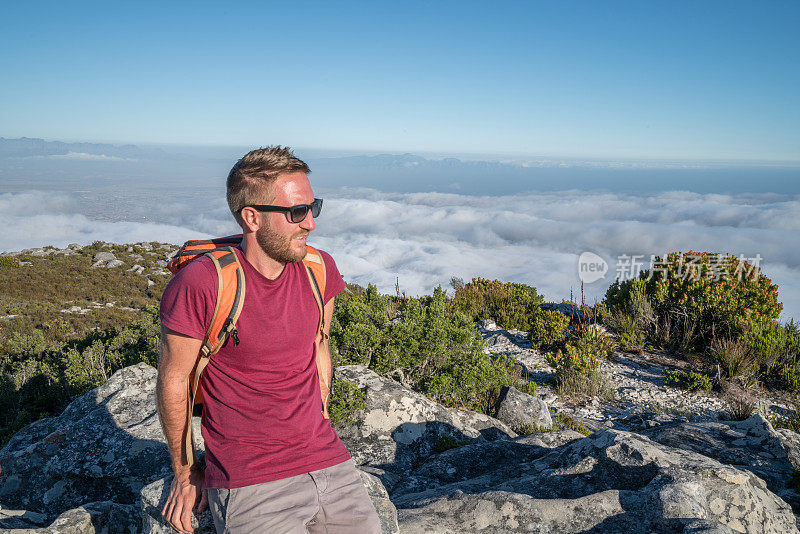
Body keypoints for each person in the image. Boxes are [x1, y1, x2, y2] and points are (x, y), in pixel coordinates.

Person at [156, 147, 381, 534]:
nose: (310, 223)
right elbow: (173, 379)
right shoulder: (205, 282)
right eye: (296, 212)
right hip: (252, 481)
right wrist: (185, 472)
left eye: (314, 207)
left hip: (329, 462)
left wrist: (322, 417)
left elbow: (319, 346)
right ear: (252, 217)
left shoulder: (318, 269)